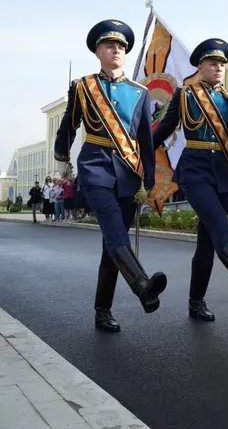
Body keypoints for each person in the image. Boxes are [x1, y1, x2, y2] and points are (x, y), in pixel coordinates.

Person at [152, 38, 228, 322]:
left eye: (222, 63)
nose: (219, 67)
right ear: (200, 66)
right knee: (219, 225)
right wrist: (139, 153)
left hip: (222, 173)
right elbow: (163, 129)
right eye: (213, 63)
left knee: (207, 241)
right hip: (195, 172)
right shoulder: (185, 95)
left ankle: (196, 301)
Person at [54, 19, 166, 333]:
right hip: (96, 168)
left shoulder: (140, 92)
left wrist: (148, 181)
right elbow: (68, 126)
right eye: (109, 45)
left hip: (129, 173)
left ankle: (103, 310)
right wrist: (62, 159)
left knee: (112, 244)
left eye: (120, 46)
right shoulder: (83, 86)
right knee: (115, 229)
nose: (115, 50)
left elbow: (145, 139)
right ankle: (141, 284)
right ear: (98, 52)